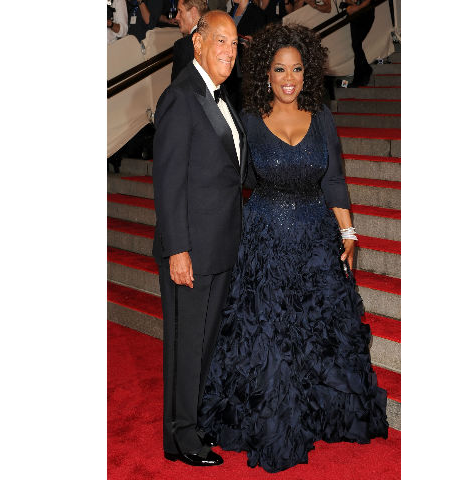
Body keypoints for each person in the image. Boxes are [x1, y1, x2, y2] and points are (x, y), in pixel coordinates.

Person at [198, 23, 389, 473]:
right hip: (265, 243)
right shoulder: (248, 121)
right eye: (280, 69)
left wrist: (349, 234)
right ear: (266, 73)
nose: (289, 78)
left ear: (308, 72)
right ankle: (274, 424)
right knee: (269, 340)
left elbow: (334, 180)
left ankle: (318, 414)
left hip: (315, 243)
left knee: (319, 337)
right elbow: (229, 182)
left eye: (297, 69)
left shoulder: (321, 116)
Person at [152, 10, 248, 467]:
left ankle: (186, 427)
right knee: (186, 344)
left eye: (235, 43)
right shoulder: (180, 96)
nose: (229, 50)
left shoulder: (222, 97)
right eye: (221, 41)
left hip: (219, 245)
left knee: (203, 343)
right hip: (190, 248)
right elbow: (168, 181)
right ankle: (181, 436)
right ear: (198, 43)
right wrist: (177, 249)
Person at [171, 0, 208, 81]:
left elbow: (177, 86)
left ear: (193, 12)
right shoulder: (216, 37)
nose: (177, 17)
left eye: (180, 11)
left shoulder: (183, 45)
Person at [345, 0, 375, 87]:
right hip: (355, 14)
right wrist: (352, 4)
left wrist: (357, 7)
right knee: (356, 45)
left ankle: (359, 78)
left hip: (366, 13)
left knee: (356, 45)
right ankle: (365, 71)